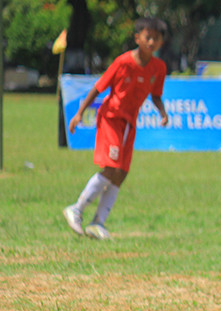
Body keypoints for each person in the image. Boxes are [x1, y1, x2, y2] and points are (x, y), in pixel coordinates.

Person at [62, 17, 169, 241]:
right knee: (111, 169)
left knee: (121, 173)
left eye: (156, 38)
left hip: (129, 123)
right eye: (148, 37)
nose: (151, 42)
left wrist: (162, 112)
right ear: (137, 38)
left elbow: (156, 95)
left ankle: (97, 223)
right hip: (111, 118)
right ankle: (76, 209)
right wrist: (80, 113)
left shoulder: (158, 67)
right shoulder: (123, 62)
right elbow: (99, 87)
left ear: (161, 42)